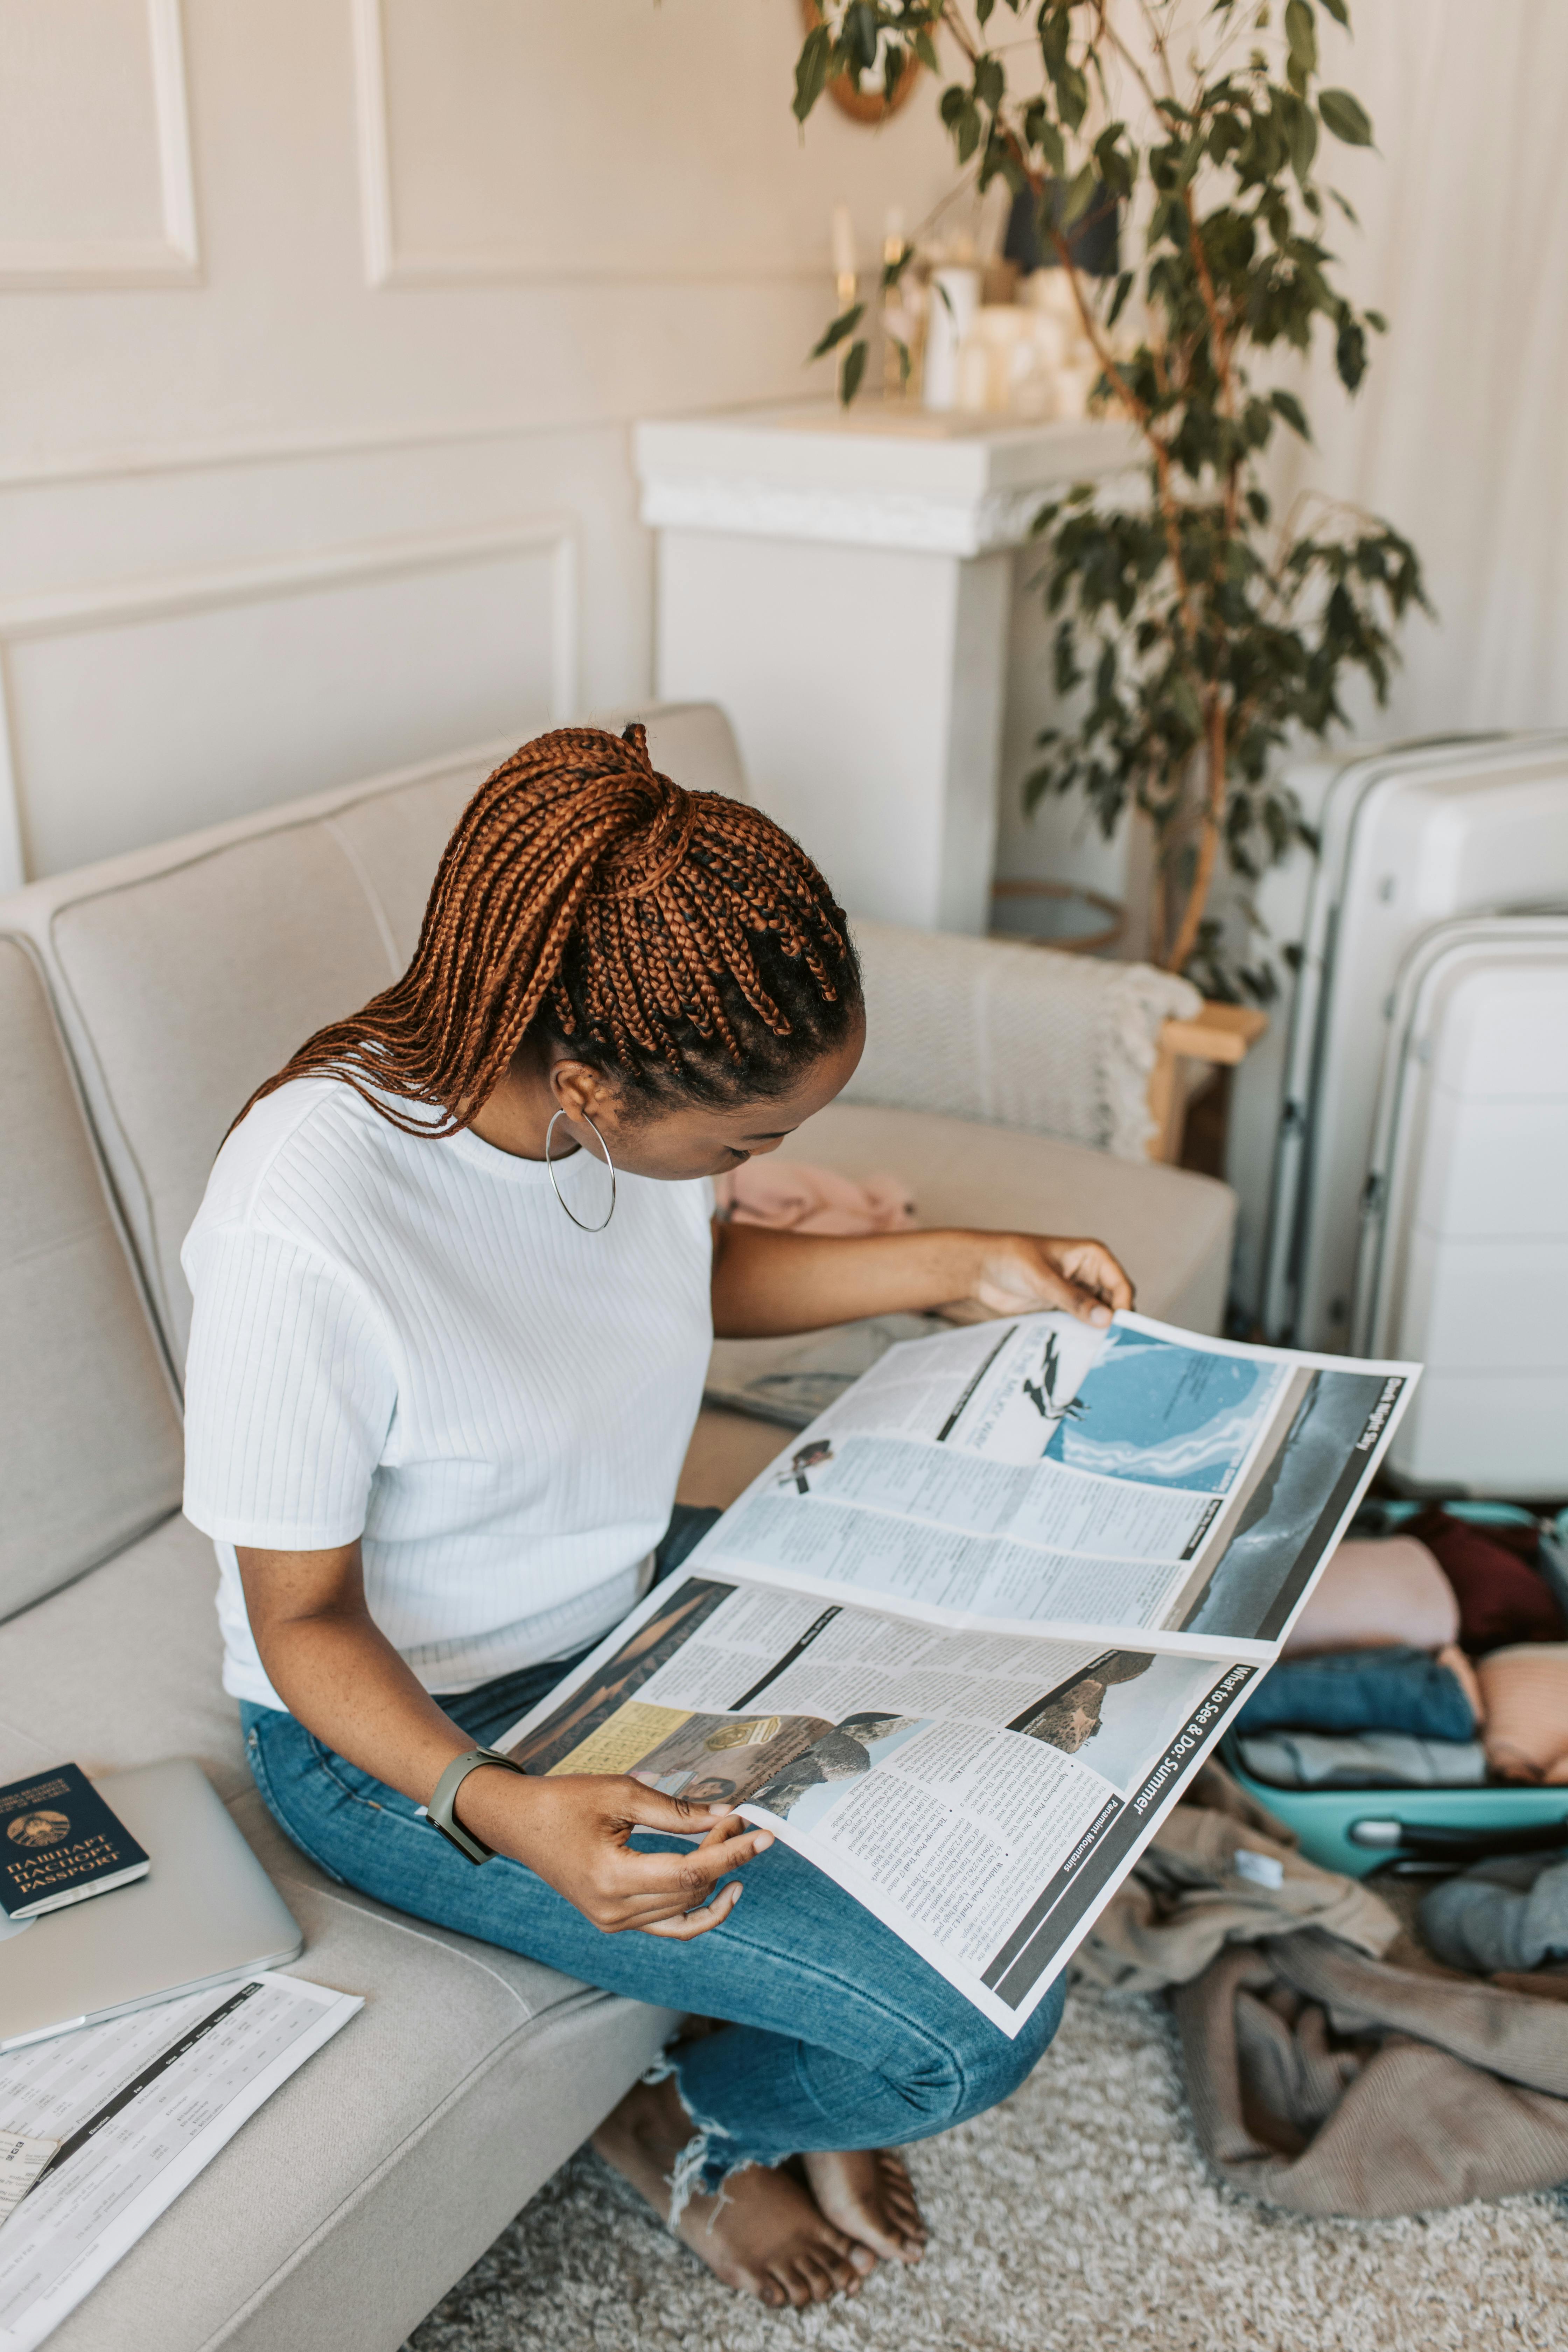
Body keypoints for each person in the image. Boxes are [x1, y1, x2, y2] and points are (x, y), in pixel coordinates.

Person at [182, 723, 1134, 2311]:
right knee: (967, 2038)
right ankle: (683, 2117)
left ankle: (734, 2055)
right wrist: (502, 1807)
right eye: (749, 1145)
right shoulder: (307, 1220)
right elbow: (303, 1623)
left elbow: (677, 1279)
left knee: (1059, 1705)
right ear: (590, 1090)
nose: (764, 1166)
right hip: (410, 1728)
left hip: (636, 1607)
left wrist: (966, 1263)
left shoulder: (602, 1096)